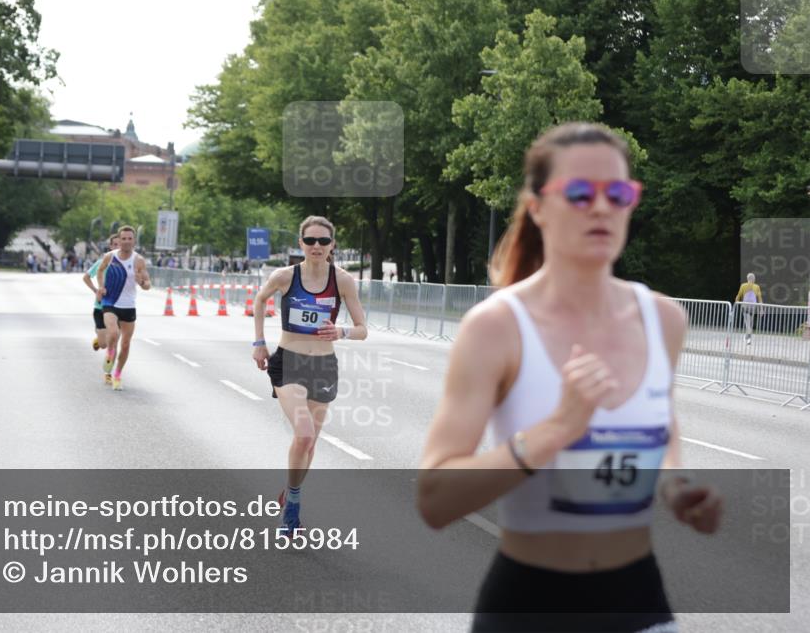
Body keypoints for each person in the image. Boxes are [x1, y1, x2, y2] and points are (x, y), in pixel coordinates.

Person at [417, 123, 722, 632]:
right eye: (579, 193)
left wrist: (675, 486)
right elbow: (435, 498)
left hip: (640, 603)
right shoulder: (496, 328)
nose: (602, 207)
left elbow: (660, 426)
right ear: (537, 208)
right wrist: (557, 429)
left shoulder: (664, 319)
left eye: (618, 193)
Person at [252, 215, 368, 535]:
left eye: (324, 241)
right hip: (289, 362)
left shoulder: (343, 280)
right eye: (311, 241)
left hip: (324, 366)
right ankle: (293, 510)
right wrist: (259, 342)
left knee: (310, 444)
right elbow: (260, 300)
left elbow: (362, 329)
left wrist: (341, 331)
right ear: (301, 243)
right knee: (303, 434)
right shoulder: (285, 276)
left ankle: (289, 493)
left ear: (332, 245)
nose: (317, 247)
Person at [96, 226, 151, 391]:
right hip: (110, 302)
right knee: (113, 333)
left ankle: (117, 375)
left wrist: (142, 282)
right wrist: (101, 286)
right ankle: (110, 352)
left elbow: (148, 285)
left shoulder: (138, 260)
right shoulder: (109, 257)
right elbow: (100, 271)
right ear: (118, 240)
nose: (126, 241)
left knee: (126, 344)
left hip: (128, 305)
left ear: (134, 241)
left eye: (130, 238)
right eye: (123, 239)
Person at [83, 235, 120, 382]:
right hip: (100, 307)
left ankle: (108, 374)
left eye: (120, 244)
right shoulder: (101, 263)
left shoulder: (127, 264)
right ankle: (99, 341)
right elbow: (86, 277)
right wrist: (95, 290)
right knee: (105, 344)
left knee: (114, 341)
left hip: (118, 308)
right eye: (115, 244)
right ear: (110, 246)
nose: (118, 247)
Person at [735, 273, 763, 346]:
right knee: (749, 324)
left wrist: (736, 302)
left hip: (747, 307)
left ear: (747, 279)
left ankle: (747, 336)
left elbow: (739, 295)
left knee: (749, 324)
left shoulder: (744, 286)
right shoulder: (756, 286)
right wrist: (761, 309)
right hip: (752, 307)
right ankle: (749, 340)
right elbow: (760, 299)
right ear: (753, 279)